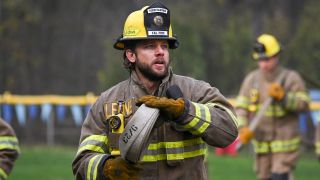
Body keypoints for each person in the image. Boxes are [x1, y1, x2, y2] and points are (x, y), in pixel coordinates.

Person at [72, 2, 238, 180]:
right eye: (150, 46)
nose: (160, 52)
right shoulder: (107, 102)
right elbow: (82, 162)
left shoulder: (194, 90)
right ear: (131, 55)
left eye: (164, 46)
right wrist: (107, 168)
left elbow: (229, 130)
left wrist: (185, 112)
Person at [235, 34, 310, 180]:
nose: (263, 64)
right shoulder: (252, 80)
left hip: (285, 146)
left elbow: (304, 104)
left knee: (280, 176)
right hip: (262, 145)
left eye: (267, 59)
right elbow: (241, 107)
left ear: (276, 56)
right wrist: (242, 127)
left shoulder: (290, 78)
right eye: (260, 60)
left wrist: (285, 97)